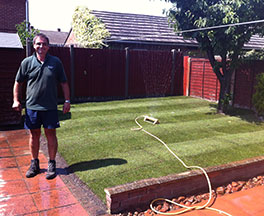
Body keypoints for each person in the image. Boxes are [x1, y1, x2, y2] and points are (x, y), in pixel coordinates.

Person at [12, 33, 70, 180]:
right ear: (34, 46)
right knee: (34, 135)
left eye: (44, 44)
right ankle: (35, 164)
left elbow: (64, 82)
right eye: (38, 44)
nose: (41, 47)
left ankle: (51, 163)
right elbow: (18, 82)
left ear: (48, 47)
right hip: (32, 106)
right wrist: (16, 100)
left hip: (50, 107)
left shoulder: (55, 62)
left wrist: (67, 101)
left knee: (51, 135)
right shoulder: (27, 62)